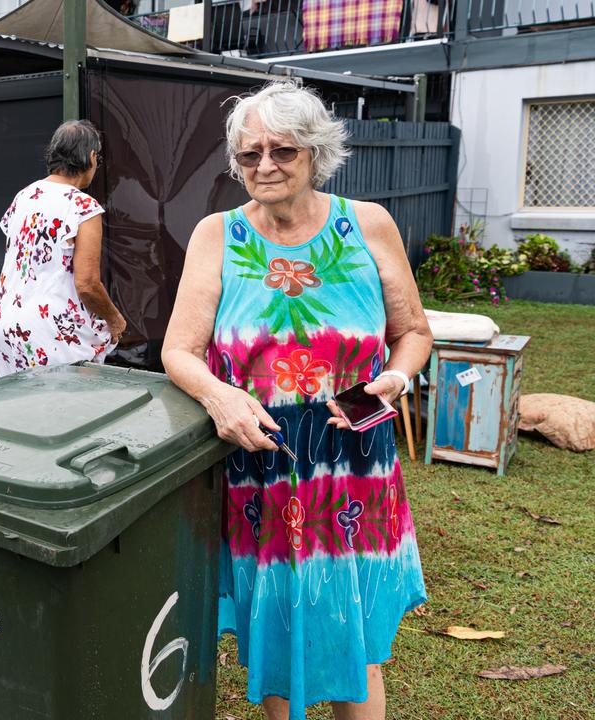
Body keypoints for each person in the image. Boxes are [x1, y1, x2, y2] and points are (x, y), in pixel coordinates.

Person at [161, 81, 431, 720]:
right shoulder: (216, 234)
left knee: (353, 629)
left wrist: (392, 380)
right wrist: (219, 396)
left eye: (281, 151)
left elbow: (413, 332)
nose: (264, 166)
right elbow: (178, 351)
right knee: (278, 624)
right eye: (249, 155)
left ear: (314, 153)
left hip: (354, 461)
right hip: (263, 460)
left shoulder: (366, 224)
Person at [0, 120, 126, 377]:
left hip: (6, 323)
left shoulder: (24, 196)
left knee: (14, 411)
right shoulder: (82, 207)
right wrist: (114, 318)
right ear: (91, 157)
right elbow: (86, 283)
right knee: (65, 413)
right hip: (51, 333)